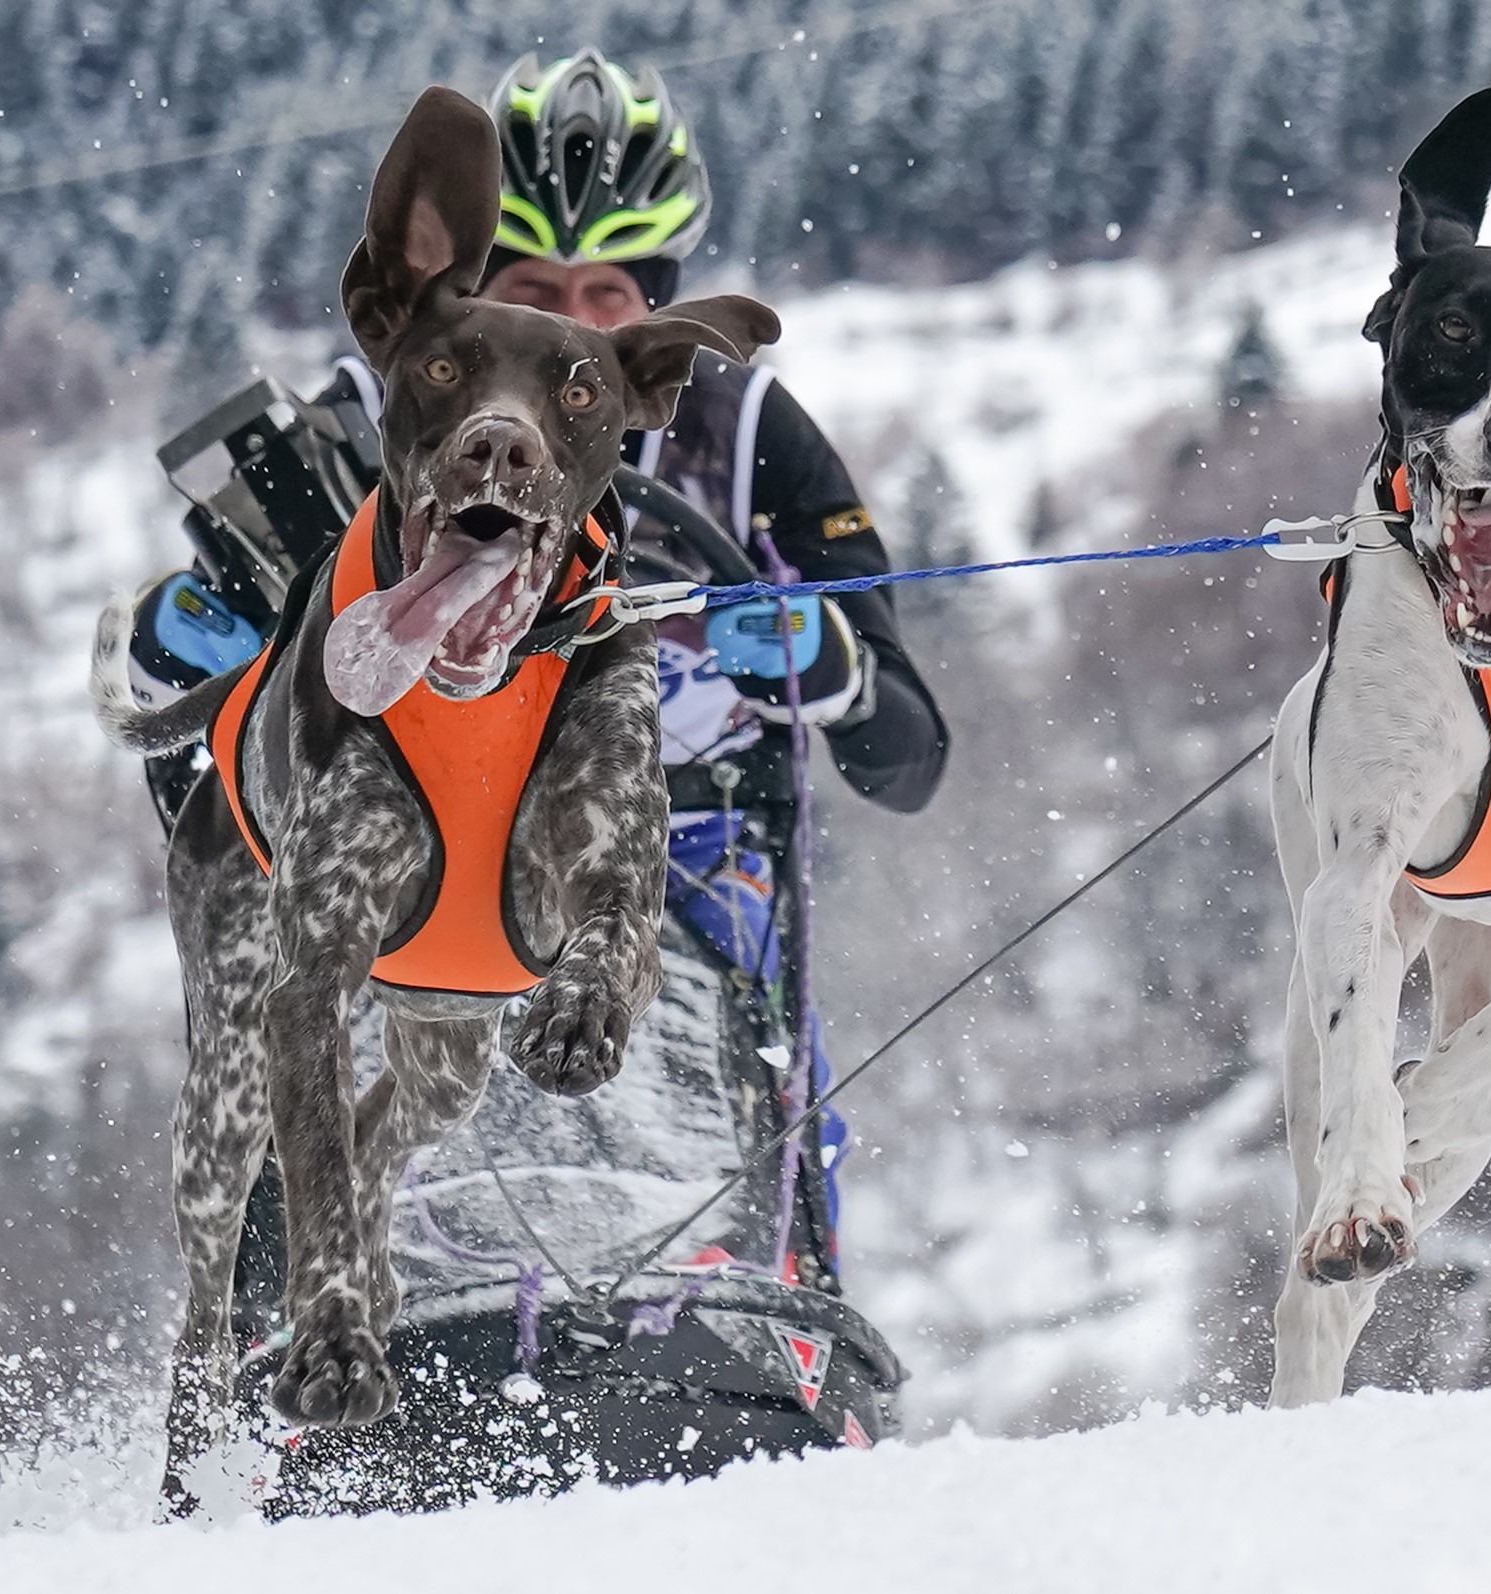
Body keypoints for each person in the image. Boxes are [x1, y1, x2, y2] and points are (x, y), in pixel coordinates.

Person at [127, 48, 946, 1505]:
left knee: (646, 1016)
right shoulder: (390, 415)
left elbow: (907, 749)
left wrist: (809, 652)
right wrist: (191, 645)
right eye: (531, 285)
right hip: (403, 878)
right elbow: (208, 759)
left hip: (680, 888)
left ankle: (724, 1300)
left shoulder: (745, 436)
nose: (561, 332)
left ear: (659, 310)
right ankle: (324, 1333)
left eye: (606, 301)